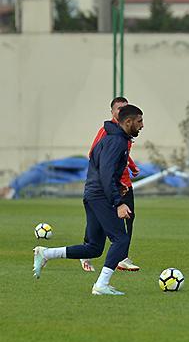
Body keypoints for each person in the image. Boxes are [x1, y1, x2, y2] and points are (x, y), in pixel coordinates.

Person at [32, 105, 144, 295]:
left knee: (93, 248)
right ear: (128, 122)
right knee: (121, 239)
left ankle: (46, 253)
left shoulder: (114, 139)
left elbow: (99, 166)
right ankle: (101, 285)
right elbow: (106, 173)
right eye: (139, 121)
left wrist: (116, 187)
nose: (142, 125)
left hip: (93, 194)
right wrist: (118, 202)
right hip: (100, 196)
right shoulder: (116, 141)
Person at [80, 96, 141, 273]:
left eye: (125, 108)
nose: (122, 111)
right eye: (119, 108)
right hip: (110, 184)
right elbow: (94, 154)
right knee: (98, 222)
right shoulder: (107, 132)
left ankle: (122, 257)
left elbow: (122, 154)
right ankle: (87, 250)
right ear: (112, 112)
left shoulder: (125, 132)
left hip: (124, 182)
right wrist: (107, 177)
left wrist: (131, 165)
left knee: (129, 217)